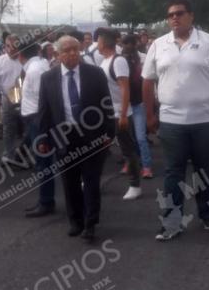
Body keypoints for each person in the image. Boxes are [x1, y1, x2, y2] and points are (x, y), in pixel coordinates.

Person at [143, 0, 209, 241]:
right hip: (171, 121)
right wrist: (149, 115)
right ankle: (172, 221)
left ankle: (207, 213)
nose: (174, 17)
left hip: (204, 120)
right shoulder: (158, 44)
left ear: (191, 16)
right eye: (171, 14)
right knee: (173, 172)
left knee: (204, 169)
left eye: (180, 13)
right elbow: (147, 79)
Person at [37, 35, 116, 241]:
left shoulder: (95, 74)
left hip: (91, 135)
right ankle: (75, 220)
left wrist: (109, 133)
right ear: (57, 54)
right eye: (67, 50)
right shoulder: (48, 78)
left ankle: (90, 223)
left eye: (75, 49)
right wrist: (44, 138)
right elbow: (44, 111)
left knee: (91, 181)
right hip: (64, 136)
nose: (73, 53)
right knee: (69, 182)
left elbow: (106, 104)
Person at [97, 28, 143, 200]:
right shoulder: (104, 61)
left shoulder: (118, 61)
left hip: (119, 114)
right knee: (99, 150)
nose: (97, 44)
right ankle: (94, 181)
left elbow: (125, 89)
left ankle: (135, 185)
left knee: (127, 150)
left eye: (98, 41)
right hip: (106, 114)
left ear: (104, 43)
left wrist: (123, 115)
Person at [18, 42, 55, 218]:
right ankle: (45, 200)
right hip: (36, 119)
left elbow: (43, 100)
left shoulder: (33, 70)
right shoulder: (40, 65)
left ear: (20, 56)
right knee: (43, 162)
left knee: (43, 162)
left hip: (37, 120)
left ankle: (46, 202)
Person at [121, 33, 153, 180]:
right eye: (125, 44)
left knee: (140, 137)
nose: (127, 47)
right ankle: (130, 163)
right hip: (124, 105)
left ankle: (146, 166)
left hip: (138, 103)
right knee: (127, 138)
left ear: (136, 44)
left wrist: (152, 101)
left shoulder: (144, 58)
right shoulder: (119, 60)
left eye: (130, 43)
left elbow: (148, 81)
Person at [0, 35, 24, 166]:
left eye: (14, 46)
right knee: (8, 128)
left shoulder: (24, 59)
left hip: (24, 96)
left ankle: (23, 153)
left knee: (27, 129)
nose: (10, 49)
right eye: (7, 46)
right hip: (7, 97)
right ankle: (9, 154)